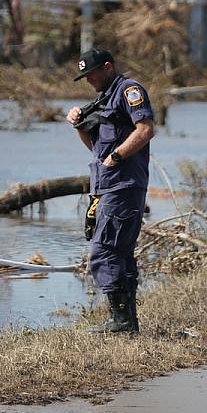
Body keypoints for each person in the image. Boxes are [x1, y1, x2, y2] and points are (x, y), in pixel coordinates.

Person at [66, 48, 155, 334]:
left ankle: (122, 322)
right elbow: (96, 148)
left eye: (91, 74)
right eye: (85, 77)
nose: (89, 80)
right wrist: (79, 125)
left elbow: (145, 130)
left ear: (107, 67)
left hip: (123, 185)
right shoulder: (102, 99)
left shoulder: (129, 90)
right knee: (119, 252)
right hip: (106, 186)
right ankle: (126, 322)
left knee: (103, 251)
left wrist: (116, 157)